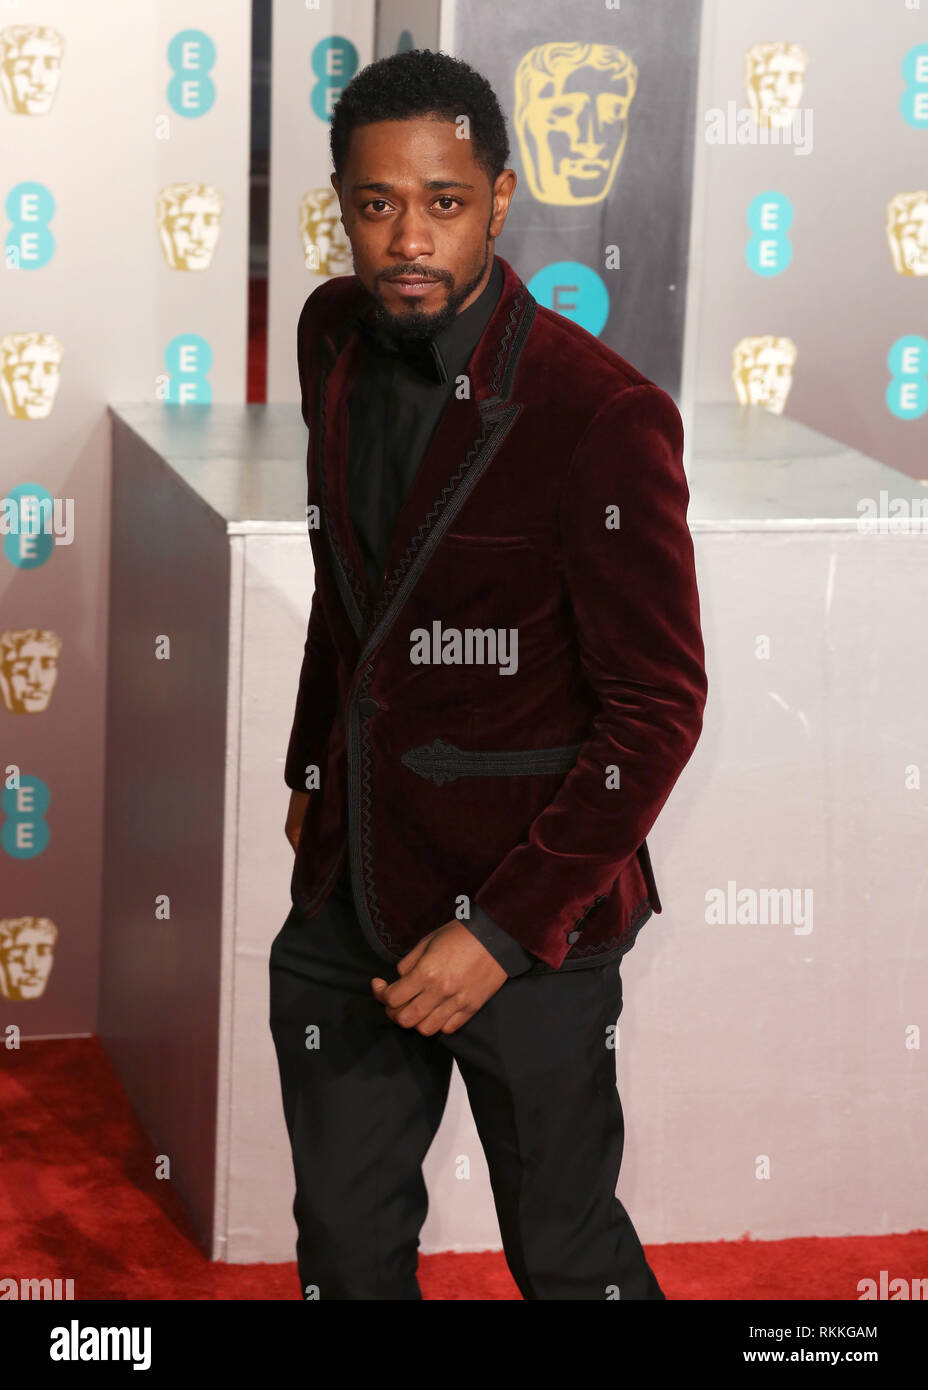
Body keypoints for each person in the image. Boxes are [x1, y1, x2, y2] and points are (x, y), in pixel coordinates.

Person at [269, 48, 708, 1301]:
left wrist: (504, 932)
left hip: (530, 921)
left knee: (566, 1257)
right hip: (348, 894)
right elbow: (347, 586)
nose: (407, 237)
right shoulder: (329, 335)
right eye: (375, 202)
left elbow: (658, 707)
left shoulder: (598, 412)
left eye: (444, 201)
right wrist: (313, 765)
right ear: (341, 202)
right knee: (346, 1256)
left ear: (501, 197)